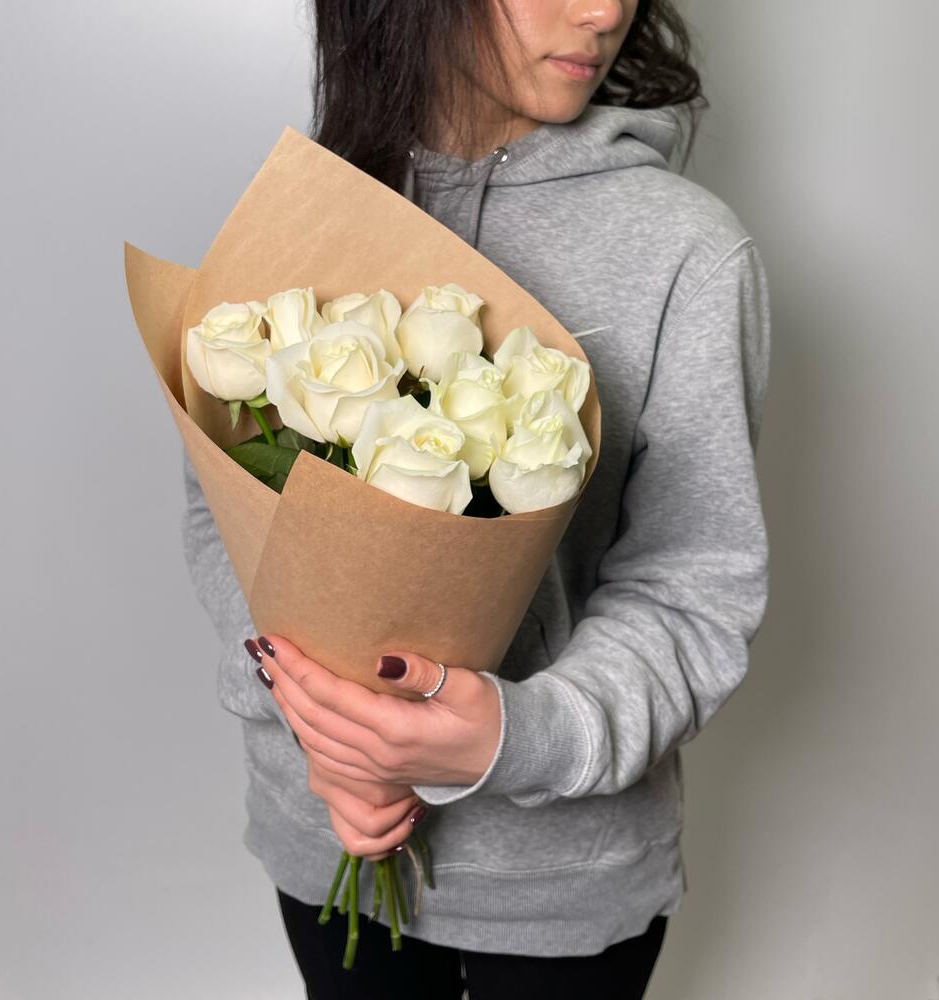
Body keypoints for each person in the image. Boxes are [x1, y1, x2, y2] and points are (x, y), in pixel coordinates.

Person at [181, 0, 772, 996]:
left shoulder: (688, 252)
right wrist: (321, 722)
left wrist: (513, 735)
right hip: (324, 832)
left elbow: (692, 590)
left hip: (560, 885)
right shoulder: (302, 211)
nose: (603, 11)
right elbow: (222, 508)